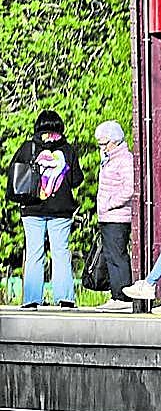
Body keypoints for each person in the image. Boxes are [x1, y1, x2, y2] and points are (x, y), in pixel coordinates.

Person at [8, 110, 84, 310]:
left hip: (32, 209)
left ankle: (31, 299)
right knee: (60, 253)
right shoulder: (68, 150)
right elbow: (77, 180)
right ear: (59, 127)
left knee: (34, 253)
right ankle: (65, 299)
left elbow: (15, 174)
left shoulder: (27, 148)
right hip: (61, 210)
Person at [93, 120, 136, 312]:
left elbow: (129, 188)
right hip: (107, 216)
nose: (102, 147)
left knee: (117, 255)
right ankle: (115, 293)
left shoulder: (124, 159)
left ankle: (122, 295)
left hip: (117, 216)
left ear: (114, 140)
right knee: (110, 255)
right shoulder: (108, 159)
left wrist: (109, 203)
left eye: (104, 143)